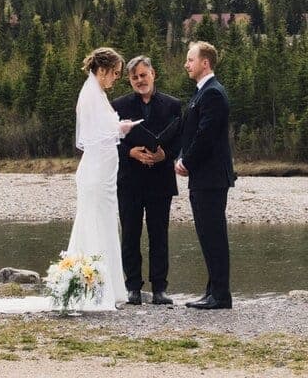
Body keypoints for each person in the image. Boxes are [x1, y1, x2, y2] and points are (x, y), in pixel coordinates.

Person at [64, 47, 138, 310]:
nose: (116, 78)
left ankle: (104, 287)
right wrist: (121, 128)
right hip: (96, 173)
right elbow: (92, 136)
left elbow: (101, 129)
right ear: (103, 70)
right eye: (115, 73)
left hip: (104, 173)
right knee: (94, 224)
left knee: (105, 225)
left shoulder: (97, 94)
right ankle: (93, 289)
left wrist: (118, 128)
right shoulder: (90, 95)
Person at [111, 55, 182, 305]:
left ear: (153, 74)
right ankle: (132, 287)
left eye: (143, 75)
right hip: (129, 179)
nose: (140, 80)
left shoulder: (173, 104)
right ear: (129, 80)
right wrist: (129, 152)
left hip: (160, 179)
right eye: (134, 77)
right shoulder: (118, 105)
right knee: (130, 234)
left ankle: (160, 289)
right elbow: (109, 140)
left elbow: (180, 139)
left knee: (159, 235)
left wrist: (166, 154)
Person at [175, 39, 234, 309]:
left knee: (213, 235)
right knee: (207, 235)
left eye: (190, 59)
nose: (186, 64)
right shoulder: (203, 92)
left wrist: (186, 161)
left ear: (205, 63)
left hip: (210, 177)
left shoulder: (212, 93)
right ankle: (212, 291)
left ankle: (221, 296)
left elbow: (206, 135)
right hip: (204, 177)